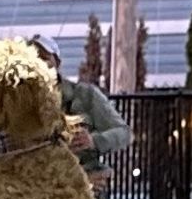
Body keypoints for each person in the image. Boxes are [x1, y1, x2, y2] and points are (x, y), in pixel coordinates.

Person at [35, 34, 131, 176]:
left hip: (83, 182)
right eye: (32, 60)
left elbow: (123, 132)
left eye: (44, 57)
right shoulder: (16, 104)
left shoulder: (85, 95)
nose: (39, 64)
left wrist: (94, 141)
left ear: (57, 62)